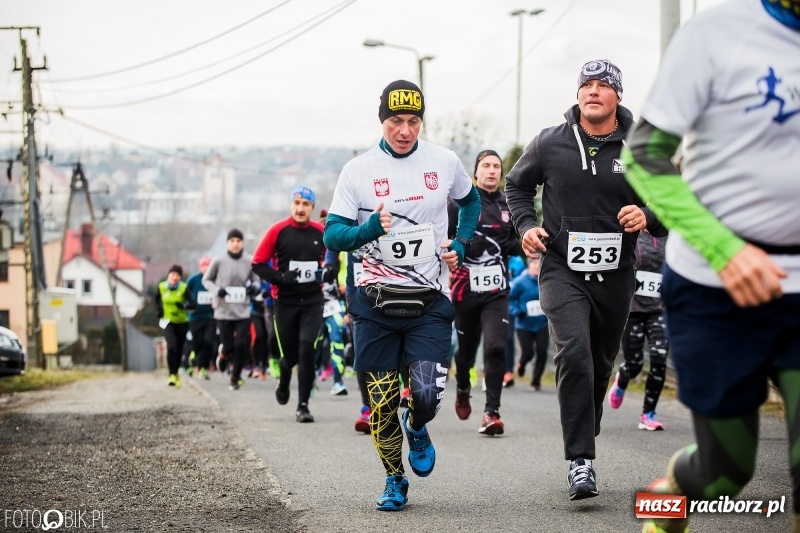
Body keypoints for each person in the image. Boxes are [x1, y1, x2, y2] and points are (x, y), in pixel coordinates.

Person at [622, 2, 800, 531]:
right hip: (714, 286)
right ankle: (667, 501)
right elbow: (645, 155)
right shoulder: (716, 34)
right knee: (724, 473)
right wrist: (726, 250)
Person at [505, 59, 667, 501]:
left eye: (602, 85)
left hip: (616, 274)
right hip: (562, 268)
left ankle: (585, 425)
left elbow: (676, 203)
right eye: (586, 85)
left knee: (598, 364)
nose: (593, 91)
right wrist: (525, 227)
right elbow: (516, 187)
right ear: (578, 94)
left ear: (617, 96)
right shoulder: (549, 143)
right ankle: (581, 461)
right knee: (574, 353)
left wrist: (647, 215)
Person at [323, 79, 480, 512]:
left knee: (426, 395)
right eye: (396, 121)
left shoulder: (445, 161)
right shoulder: (358, 170)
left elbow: (470, 204)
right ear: (382, 122)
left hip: (429, 298)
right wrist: (370, 228)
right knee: (381, 403)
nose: (405, 130)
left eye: (413, 121)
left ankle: (419, 423)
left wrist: (461, 244)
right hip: (374, 304)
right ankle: (394, 479)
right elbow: (333, 235)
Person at [449, 149, 520, 436]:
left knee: (495, 347)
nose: (491, 170)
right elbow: (444, 238)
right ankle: (464, 385)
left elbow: (517, 241)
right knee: (465, 354)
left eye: (496, 166)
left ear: (501, 173)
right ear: (475, 172)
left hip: (496, 291)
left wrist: (511, 245)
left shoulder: (509, 205)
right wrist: (462, 246)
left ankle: (492, 413)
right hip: (464, 290)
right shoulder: (460, 204)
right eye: (486, 166)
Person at [252, 185, 327, 423]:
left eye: (306, 204)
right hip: (285, 302)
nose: (300, 208)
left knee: (307, 350)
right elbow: (258, 263)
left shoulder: (321, 232)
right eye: (296, 203)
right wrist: (281, 277)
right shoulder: (277, 230)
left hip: (313, 301)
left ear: (312, 208)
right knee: (290, 357)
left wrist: (326, 273)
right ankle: (284, 376)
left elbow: (333, 262)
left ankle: (303, 405)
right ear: (290, 206)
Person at [607, 233, 669, 431]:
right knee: (635, 364)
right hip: (633, 309)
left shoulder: (670, 236)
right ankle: (623, 378)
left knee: (659, 359)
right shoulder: (632, 235)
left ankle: (648, 413)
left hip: (659, 308)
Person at [202, 229, 260, 391]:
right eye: (232, 241)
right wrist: (217, 290)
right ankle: (224, 354)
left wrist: (253, 289)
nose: (235, 244)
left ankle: (235, 376)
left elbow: (256, 280)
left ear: (242, 243)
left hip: (242, 311)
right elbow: (206, 280)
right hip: (223, 311)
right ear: (228, 243)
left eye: (238, 241)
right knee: (229, 346)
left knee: (242, 344)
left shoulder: (249, 260)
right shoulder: (218, 260)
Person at [508, 254, 549, 391]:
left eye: (539, 263)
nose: (537, 266)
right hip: (524, 324)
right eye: (534, 263)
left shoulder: (547, 280)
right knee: (528, 353)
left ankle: (536, 381)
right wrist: (517, 311)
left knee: (542, 351)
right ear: (529, 264)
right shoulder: (520, 281)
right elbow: (509, 299)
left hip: (542, 323)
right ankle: (522, 362)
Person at [155, 264, 190, 388]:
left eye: (177, 275)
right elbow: (157, 300)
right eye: (173, 274)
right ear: (168, 275)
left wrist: (184, 307)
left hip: (182, 322)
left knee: (179, 349)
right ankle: (171, 374)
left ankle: (176, 372)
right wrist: (159, 313)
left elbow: (192, 305)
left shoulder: (184, 288)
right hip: (168, 322)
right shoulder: (162, 287)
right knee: (171, 346)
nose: (175, 277)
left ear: (180, 277)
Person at [186, 257, 216, 380]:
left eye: (209, 265)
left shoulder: (215, 280)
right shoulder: (193, 280)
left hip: (211, 316)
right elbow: (184, 293)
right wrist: (189, 305)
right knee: (198, 342)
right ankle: (194, 355)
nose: (207, 268)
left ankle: (203, 367)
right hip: (195, 316)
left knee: (208, 342)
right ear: (200, 267)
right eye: (204, 265)